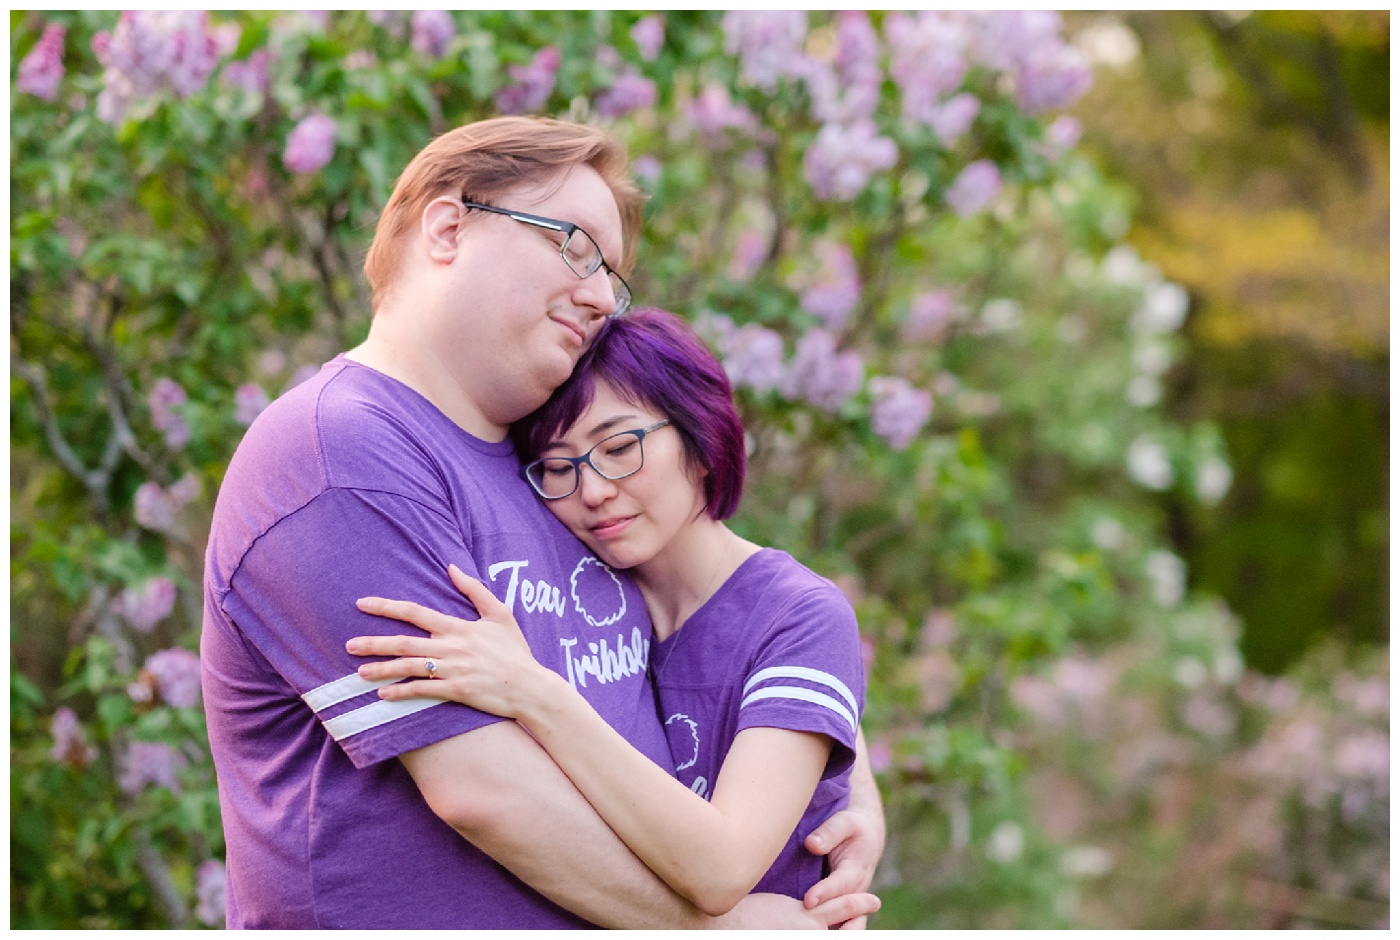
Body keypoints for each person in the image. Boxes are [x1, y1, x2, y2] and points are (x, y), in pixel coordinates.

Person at [200, 115, 881, 929]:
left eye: (614, 278)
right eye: (577, 247)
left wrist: (841, 796)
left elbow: (749, 622)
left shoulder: (550, 473)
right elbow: (482, 790)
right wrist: (713, 929)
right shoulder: (341, 452)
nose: (601, 297)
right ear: (449, 227)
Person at [347, 307, 871, 915]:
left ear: (701, 440)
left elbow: (722, 868)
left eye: (619, 447)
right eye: (557, 467)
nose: (592, 491)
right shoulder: (589, 593)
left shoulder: (797, 614)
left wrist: (532, 692)